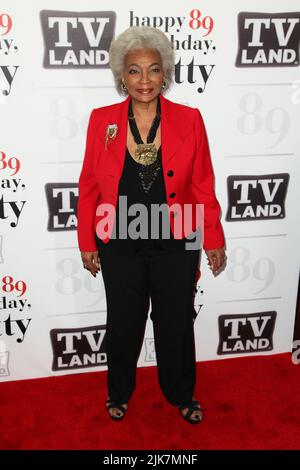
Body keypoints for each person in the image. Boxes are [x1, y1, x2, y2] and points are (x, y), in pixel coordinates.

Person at [77, 26, 226, 424]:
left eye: (154, 70)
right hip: (120, 235)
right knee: (123, 318)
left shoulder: (190, 120)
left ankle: (181, 392)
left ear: (166, 74)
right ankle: (119, 391)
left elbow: (203, 183)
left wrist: (213, 238)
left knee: (176, 318)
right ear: (121, 76)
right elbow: (89, 183)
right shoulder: (101, 120)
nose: (144, 80)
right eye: (134, 71)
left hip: (177, 236)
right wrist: (86, 240)